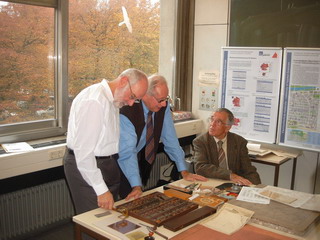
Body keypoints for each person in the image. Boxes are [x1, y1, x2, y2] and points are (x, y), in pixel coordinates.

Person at [64, 68, 148, 215]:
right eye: (132, 96)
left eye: (136, 99)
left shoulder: (113, 100)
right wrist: (101, 190)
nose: (131, 103)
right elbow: (84, 153)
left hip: (107, 163)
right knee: (94, 222)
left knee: (108, 220)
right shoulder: (94, 101)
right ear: (123, 81)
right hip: (87, 167)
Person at [118, 74, 207, 200]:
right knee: (120, 202)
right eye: (160, 100)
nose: (164, 104)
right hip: (117, 160)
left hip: (138, 157)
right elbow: (127, 152)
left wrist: (184, 171)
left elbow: (171, 140)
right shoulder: (127, 110)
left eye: (166, 99)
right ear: (145, 95)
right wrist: (136, 185)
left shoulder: (162, 107)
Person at [193, 108, 261, 185]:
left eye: (218, 122)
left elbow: (248, 170)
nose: (212, 124)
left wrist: (256, 188)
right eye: (211, 119)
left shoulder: (239, 142)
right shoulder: (201, 142)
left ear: (227, 127)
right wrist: (229, 175)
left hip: (234, 184)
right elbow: (201, 167)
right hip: (211, 183)